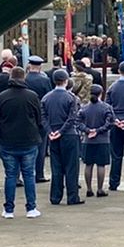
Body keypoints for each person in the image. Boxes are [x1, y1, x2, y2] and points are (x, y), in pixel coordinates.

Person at [0, 65, 45, 218]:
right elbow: (38, 117)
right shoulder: (32, 96)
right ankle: (31, 208)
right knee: (29, 174)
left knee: (10, 175)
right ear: (24, 78)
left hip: (8, 140)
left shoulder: (2, 96)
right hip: (29, 140)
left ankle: (9, 209)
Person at [43, 73, 83, 207]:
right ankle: (72, 196)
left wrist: (50, 131)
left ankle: (55, 196)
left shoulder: (46, 98)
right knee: (71, 166)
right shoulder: (71, 98)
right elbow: (72, 118)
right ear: (66, 81)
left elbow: (43, 117)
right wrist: (61, 131)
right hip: (69, 135)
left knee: (56, 166)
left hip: (52, 135)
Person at [80, 85, 114, 199]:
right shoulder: (106, 107)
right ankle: (100, 189)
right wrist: (98, 131)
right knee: (101, 165)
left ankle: (89, 189)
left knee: (88, 165)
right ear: (101, 93)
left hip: (88, 140)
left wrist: (88, 130)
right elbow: (110, 123)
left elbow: (77, 122)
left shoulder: (84, 108)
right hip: (103, 140)